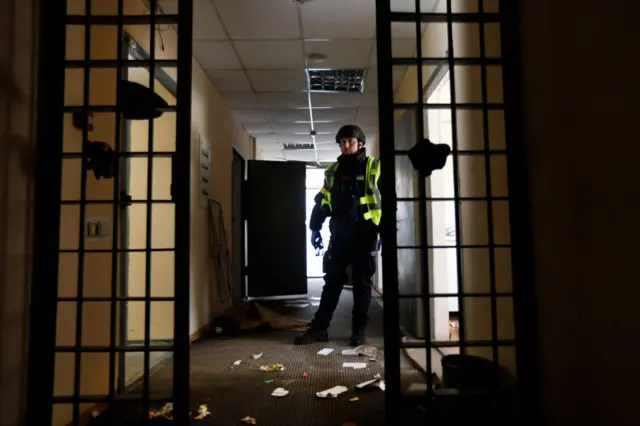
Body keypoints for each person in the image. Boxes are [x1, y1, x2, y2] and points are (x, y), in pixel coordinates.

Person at [295, 124, 381, 347]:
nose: (346, 145)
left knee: (362, 283)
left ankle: (359, 331)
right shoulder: (333, 171)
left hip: (365, 234)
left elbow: (385, 201)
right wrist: (315, 226)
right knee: (332, 282)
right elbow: (323, 200)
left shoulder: (373, 166)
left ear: (360, 143)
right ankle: (319, 328)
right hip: (340, 235)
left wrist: (385, 232)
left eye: (350, 141)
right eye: (342, 141)